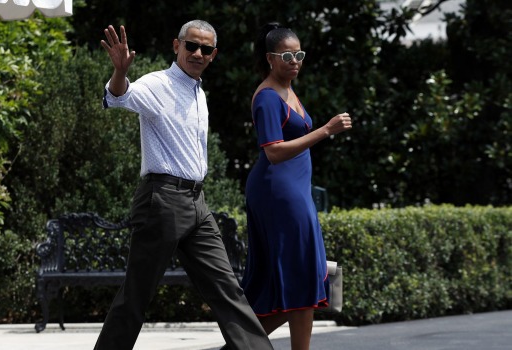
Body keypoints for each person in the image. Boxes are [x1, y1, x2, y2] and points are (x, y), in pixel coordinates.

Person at [93, 20, 274, 350]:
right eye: (191, 45)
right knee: (137, 295)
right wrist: (119, 72)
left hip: (196, 204)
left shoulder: (199, 93)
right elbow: (119, 97)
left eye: (205, 49)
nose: (197, 53)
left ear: (213, 55)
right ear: (176, 46)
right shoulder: (157, 84)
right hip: (161, 200)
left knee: (228, 289)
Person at [241, 23, 352, 350]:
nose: (294, 61)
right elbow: (273, 151)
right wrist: (326, 130)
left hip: (295, 192)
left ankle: (240, 344)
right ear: (270, 58)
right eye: (286, 55)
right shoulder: (267, 98)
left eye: (299, 54)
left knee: (304, 283)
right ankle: (239, 344)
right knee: (301, 280)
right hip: (279, 195)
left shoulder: (287, 88)